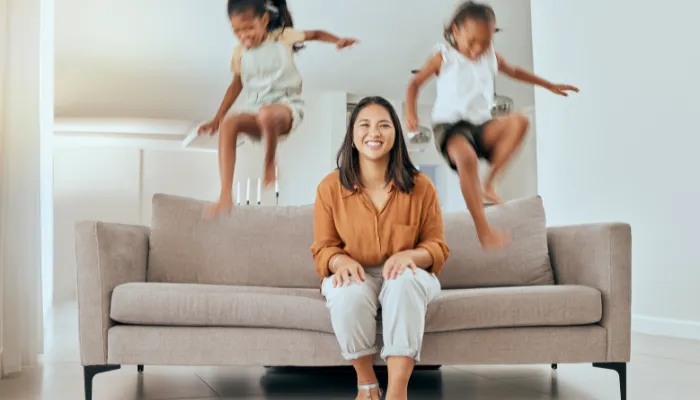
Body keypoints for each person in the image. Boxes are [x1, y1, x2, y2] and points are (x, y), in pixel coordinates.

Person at [405, 0, 579, 249]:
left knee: (519, 121)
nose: (478, 49)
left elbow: (517, 72)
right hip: (450, 127)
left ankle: (490, 182)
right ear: (456, 32)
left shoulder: (490, 57)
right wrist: (411, 112)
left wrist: (548, 84)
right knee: (467, 159)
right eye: (472, 41)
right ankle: (483, 229)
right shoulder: (444, 56)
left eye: (485, 42)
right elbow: (414, 84)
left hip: (480, 126)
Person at [310, 96, 450, 400]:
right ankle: (367, 382)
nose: (374, 132)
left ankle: (398, 391)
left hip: (409, 274)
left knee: (403, 283)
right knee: (347, 292)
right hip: (356, 274)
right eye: (365, 125)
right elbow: (323, 248)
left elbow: (436, 246)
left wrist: (410, 255)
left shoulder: (421, 186)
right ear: (353, 137)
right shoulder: (329, 188)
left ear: (395, 135)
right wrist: (339, 261)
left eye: (384, 125)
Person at [198, 0, 358, 218]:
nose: (244, 35)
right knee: (230, 123)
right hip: (256, 108)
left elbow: (316, 34)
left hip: (286, 106)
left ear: (264, 20)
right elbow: (236, 85)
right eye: (237, 31)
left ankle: (270, 163)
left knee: (267, 114)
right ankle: (225, 194)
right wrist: (217, 118)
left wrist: (338, 41)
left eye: (249, 28)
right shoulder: (239, 53)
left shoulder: (283, 37)